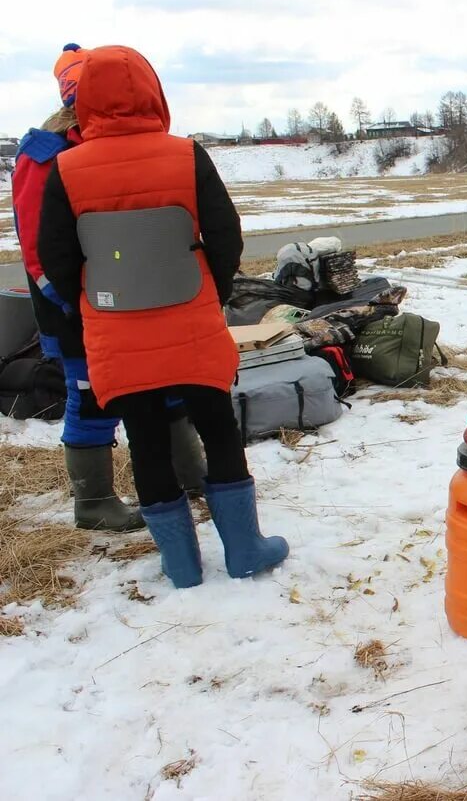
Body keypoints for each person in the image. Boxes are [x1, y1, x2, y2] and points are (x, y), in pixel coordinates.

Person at [38, 45, 288, 589]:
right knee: (219, 429)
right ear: (153, 91)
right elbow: (225, 235)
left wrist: (97, 300)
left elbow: (56, 257)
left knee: (144, 439)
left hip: (115, 329)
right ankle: (244, 549)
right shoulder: (187, 154)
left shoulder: (65, 168)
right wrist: (209, 292)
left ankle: (181, 565)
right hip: (190, 320)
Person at [11, 44, 206, 533]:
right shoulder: (45, 156)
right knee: (93, 393)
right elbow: (40, 249)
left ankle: (192, 474)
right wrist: (73, 302)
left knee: (167, 382)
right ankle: (94, 501)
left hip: (132, 295)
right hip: (76, 304)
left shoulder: (111, 144)